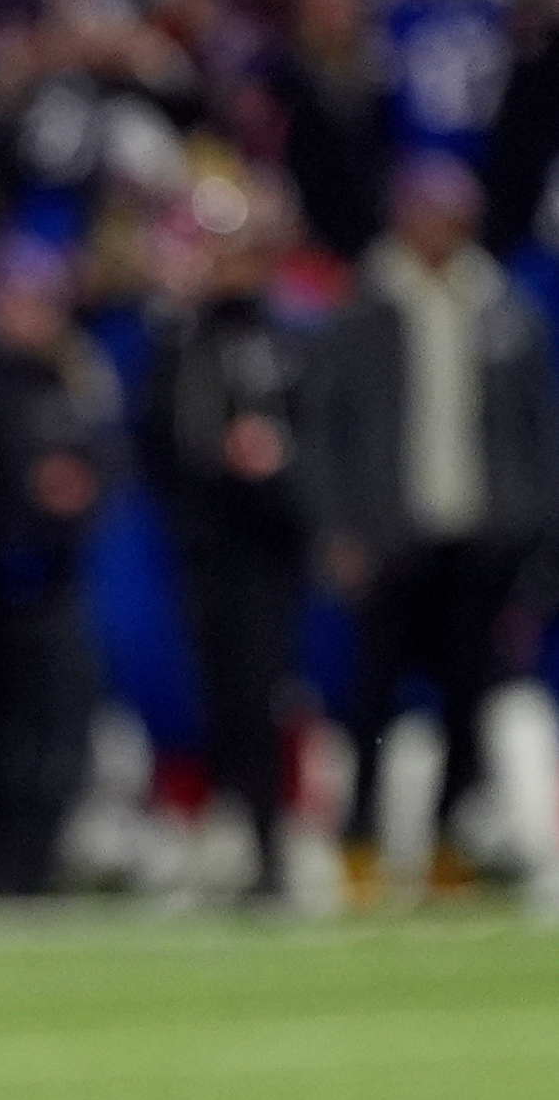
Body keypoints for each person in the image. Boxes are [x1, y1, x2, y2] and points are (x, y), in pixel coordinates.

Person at [308, 151, 559, 897]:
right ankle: (360, 844)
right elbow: (326, 430)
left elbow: (535, 429)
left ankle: (450, 843)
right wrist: (339, 528)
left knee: (466, 698)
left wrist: (534, 528)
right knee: (370, 699)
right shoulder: (365, 306)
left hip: (481, 536)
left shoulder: (501, 307)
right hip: (390, 537)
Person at [138, 171, 318, 904]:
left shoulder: (285, 335)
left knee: (260, 693)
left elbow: (321, 434)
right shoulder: (179, 337)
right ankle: (221, 840)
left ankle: (272, 846)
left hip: (266, 545)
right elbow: (156, 439)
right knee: (206, 697)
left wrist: (279, 468)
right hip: (197, 543)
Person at [0, 236, 128, 899]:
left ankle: (36, 862)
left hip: (58, 581)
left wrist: (79, 487)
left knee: (61, 730)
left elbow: (112, 459)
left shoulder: (78, 376)